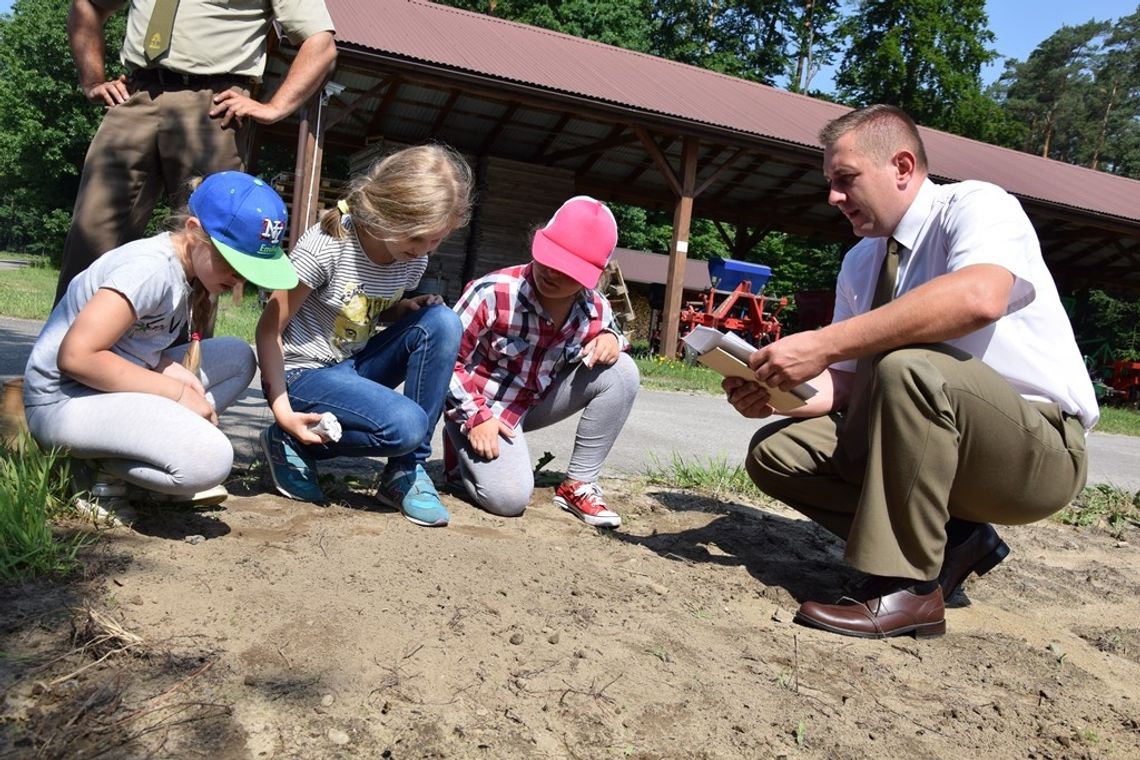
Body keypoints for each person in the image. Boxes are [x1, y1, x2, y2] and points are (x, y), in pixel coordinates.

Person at [726, 104, 1098, 639]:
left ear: (902, 167)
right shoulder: (861, 261)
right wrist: (774, 389)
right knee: (777, 454)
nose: (832, 196)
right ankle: (958, 540)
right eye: (830, 182)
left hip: (1035, 452)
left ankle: (911, 588)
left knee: (911, 365)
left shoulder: (977, 205)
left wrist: (824, 342)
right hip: (936, 440)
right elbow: (852, 382)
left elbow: (980, 298)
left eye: (845, 179)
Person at [24, 171, 299, 525]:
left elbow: (136, 348)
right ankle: (98, 477)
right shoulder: (149, 270)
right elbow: (76, 357)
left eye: (249, 269)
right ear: (194, 230)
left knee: (237, 358)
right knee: (210, 460)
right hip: (61, 402)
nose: (239, 279)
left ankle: (144, 462)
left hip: (99, 392)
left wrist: (176, 382)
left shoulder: (187, 271)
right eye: (232, 262)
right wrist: (178, 395)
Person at [55, 0, 337, 303]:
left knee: (203, 247)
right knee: (92, 230)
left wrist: (275, 107)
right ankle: (67, 342)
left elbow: (320, 42)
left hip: (214, 108)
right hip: (134, 94)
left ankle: (180, 349)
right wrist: (92, 79)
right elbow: (88, 5)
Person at [255, 144, 473, 528]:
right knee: (407, 425)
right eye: (418, 238)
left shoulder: (411, 259)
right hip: (303, 373)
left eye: (437, 240)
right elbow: (269, 327)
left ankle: (406, 470)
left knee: (442, 321)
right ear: (386, 214)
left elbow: (360, 307)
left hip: (352, 365)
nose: (425, 250)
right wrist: (283, 410)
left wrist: (401, 310)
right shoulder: (328, 245)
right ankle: (287, 438)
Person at [445, 196, 640, 528]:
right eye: (549, 257)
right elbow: (446, 360)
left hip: (532, 402)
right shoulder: (492, 292)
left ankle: (578, 484)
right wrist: (476, 416)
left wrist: (611, 338)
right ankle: (459, 450)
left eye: (567, 269)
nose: (552, 272)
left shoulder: (594, 308)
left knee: (622, 372)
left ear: (595, 275)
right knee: (509, 501)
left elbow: (616, 335)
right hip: (482, 406)